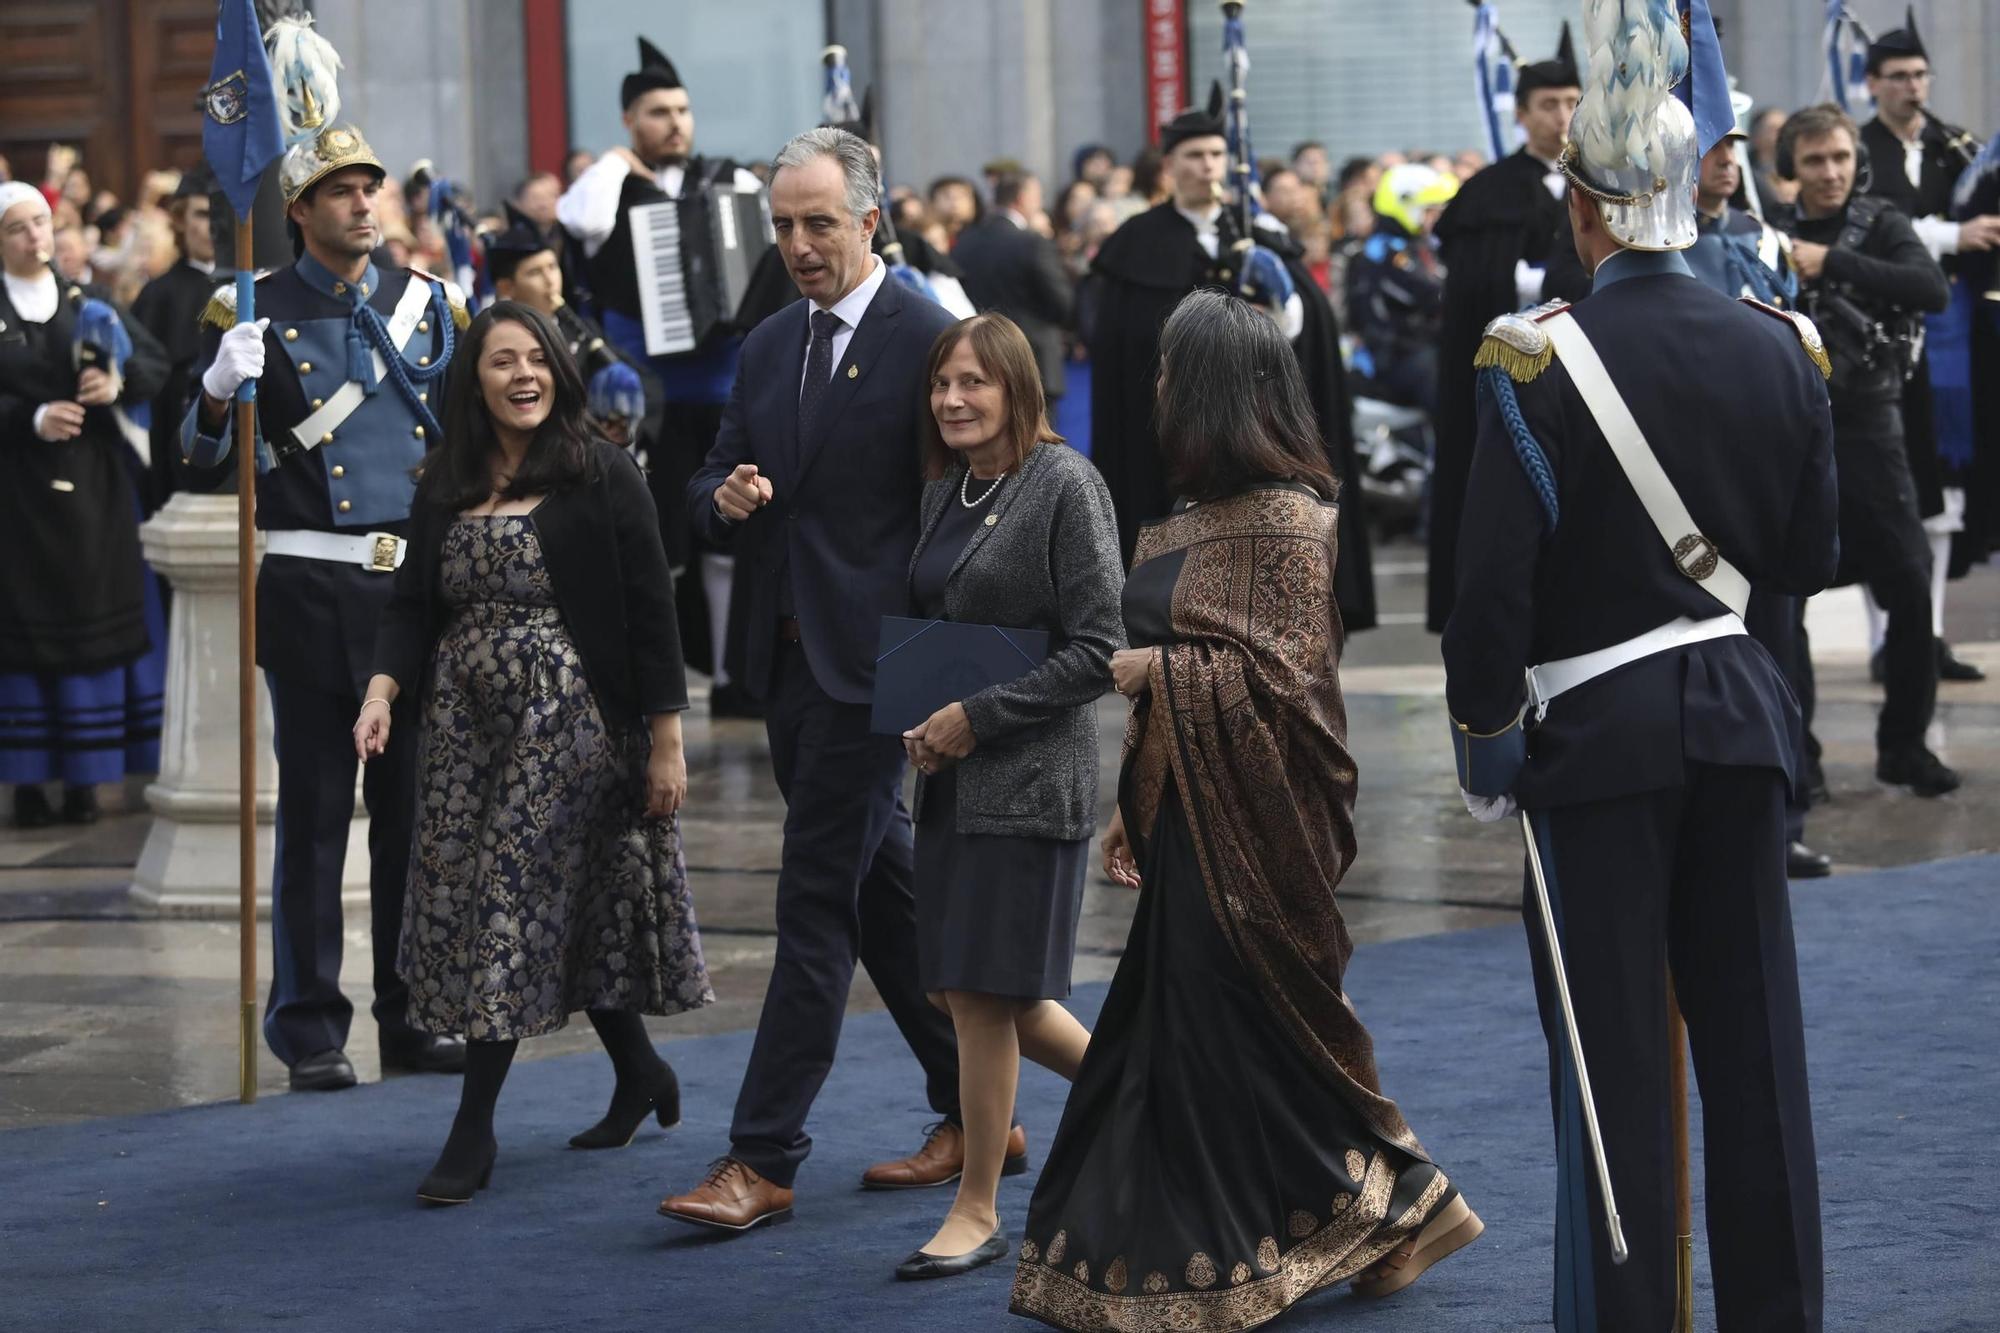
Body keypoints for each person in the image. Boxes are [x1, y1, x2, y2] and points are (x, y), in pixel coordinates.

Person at [1441, 17, 1835, 1322]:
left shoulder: (1536, 355)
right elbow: (1809, 552)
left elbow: (1489, 592)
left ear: (1589, 211)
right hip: (1740, 720)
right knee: (1758, 1057)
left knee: (1617, 1070)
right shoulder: (1785, 345)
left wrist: (1490, 744)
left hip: (1597, 741)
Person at [1012, 290, 1480, 1332]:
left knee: (1257, 1038)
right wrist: (1133, 802)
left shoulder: (1288, 522)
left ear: (1217, 391)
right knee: (1205, 1043)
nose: (1158, 388)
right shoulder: (1171, 525)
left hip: (1263, 829)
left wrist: (1150, 669)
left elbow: (1279, 689)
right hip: (1185, 814)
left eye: (1174, 373)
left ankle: (1407, 1201)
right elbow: (1194, 678)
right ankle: (1377, 1214)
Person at [660, 126, 963, 1235]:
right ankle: (977, 1110)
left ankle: (762, 1154)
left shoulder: (929, 336)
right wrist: (723, 501)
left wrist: (947, 683)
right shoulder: (768, 341)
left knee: (812, 906)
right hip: (779, 664)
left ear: (869, 220)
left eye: (817, 223)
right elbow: (698, 486)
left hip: (876, 670)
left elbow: (958, 511)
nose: (795, 244)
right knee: (879, 894)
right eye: (782, 225)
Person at [360, 301, 710, 1204]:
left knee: (507, 902)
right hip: (463, 730)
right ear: (473, 379)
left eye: (537, 359)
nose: (523, 375)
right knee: (572, 902)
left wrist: (665, 743)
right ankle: (642, 1073)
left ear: (558, 370)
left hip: (572, 721)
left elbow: (653, 614)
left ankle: (472, 1129)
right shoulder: (444, 479)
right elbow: (408, 603)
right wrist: (381, 693)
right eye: (502, 361)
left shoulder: (601, 471)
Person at [180, 125, 467, 1091]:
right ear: (298, 210)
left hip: (409, 590)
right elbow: (199, 457)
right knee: (312, 818)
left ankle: (414, 1010)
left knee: (415, 818)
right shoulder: (251, 306)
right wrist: (220, 391)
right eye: (337, 190)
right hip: (311, 589)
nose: (360, 202)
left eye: (368, 186)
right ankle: (309, 1025)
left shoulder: (432, 304)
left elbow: (466, 443)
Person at [894, 314, 1122, 1280]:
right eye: (944, 382)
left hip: (1028, 782)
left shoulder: (1066, 483)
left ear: (1018, 387)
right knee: (980, 991)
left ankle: (977, 1206)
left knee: (984, 998)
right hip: (951, 779)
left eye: (974, 383)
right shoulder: (949, 491)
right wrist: (919, 713)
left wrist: (976, 716)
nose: (953, 399)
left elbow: (1102, 648)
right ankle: (1151, 1088)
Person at [1087, 89, 1375, 628]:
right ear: (1169, 165)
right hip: (1170, 435)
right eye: (1194, 156)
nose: (1207, 166)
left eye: (1217, 154)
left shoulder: (1259, 236)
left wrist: (1282, 305)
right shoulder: (1136, 243)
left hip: (1253, 428)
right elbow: (1123, 344)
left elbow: (1304, 335)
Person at [555, 38, 767, 719]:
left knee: (725, 537)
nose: (675, 122)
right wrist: (619, 163)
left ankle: (733, 675)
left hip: (723, 388)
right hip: (643, 397)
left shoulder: (728, 179)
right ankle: (650, 682)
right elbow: (579, 219)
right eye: (657, 112)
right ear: (629, 122)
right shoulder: (611, 185)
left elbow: (767, 233)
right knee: (648, 539)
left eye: (682, 109)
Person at [1777, 104, 1956, 795]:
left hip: (1874, 429)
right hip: (1790, 435)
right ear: (1792, 167)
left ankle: (1905, 746)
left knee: (1910, 588)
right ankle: (1802, 761)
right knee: (1783, 603)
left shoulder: (1881, 222)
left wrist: (1832, 262)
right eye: (1816, 160)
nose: (1830, 172)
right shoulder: (1767, 231)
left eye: (1841, 158)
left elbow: (1930, 288)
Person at [1682, 106, 1831, 879]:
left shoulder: (1759, 237)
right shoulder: (1663, 248)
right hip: (1690, 490)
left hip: (1762, 480)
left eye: (1733, 146)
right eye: (1709, 148)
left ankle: (1783, 820)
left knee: (1780, 657)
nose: (1726, 161)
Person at [0, 181, 168, 829]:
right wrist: (29, 416)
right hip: (16, 501)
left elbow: (153, 362)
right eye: (17, 227)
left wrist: (115, 381)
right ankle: (28, 784)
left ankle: (86, 781)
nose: (33, 236)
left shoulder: (88, 300)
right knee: (22, 635)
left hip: (94, 498)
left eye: (40, 223)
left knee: (92, 627)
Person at [1428, 24, 1590, 632]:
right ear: (1522, 115)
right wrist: (1517, 286)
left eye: (1573, 102)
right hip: (1513, 375)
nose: (1563, 116)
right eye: (1549, 105)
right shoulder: (1486, 192)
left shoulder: (1605, 178)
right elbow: (1467, 287)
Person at [1859, 13, 1998, 685]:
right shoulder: (1852, 151)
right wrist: (1949, 236)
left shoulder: (1955, 149)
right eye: (1899, 77)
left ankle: (1930, 633)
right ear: (1873, 84)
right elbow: (1861, 224)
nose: (1913, 87)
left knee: (1943, 483)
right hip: (1875, 328)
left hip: (1949, 330)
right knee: (1890, 486)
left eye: (1920, 75)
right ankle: (1885, 636)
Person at [483, 206, 663, 461]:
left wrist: (625, 426)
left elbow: (648, 385)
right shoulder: (494, 341)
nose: (550, 281)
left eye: (552, 267)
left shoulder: (583, 329)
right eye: (535, 272)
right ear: (506, 287)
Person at [130, 167, 223, 510]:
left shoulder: (256, 286)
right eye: (201, 213)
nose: (213, 223)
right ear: (180, 220)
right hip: (179, 450)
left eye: (220, 212)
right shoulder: (158, 296)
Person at [950, 173, 1075, 407]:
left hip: (979, 357)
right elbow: (1062, 303)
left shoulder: (965, 241)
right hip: (1034, 360)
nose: (1040, 204)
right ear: (1022, 199)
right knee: (1038, 441)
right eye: (1037, 197)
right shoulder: (1032, 242)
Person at [1345, 163, 1456, 415]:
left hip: (1420, 347)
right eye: (1429, 210)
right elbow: (1433, 293)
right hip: (1393, 357)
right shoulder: (1383, 251)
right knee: (1449, 398)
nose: (1435, 217)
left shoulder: (1416, 245)